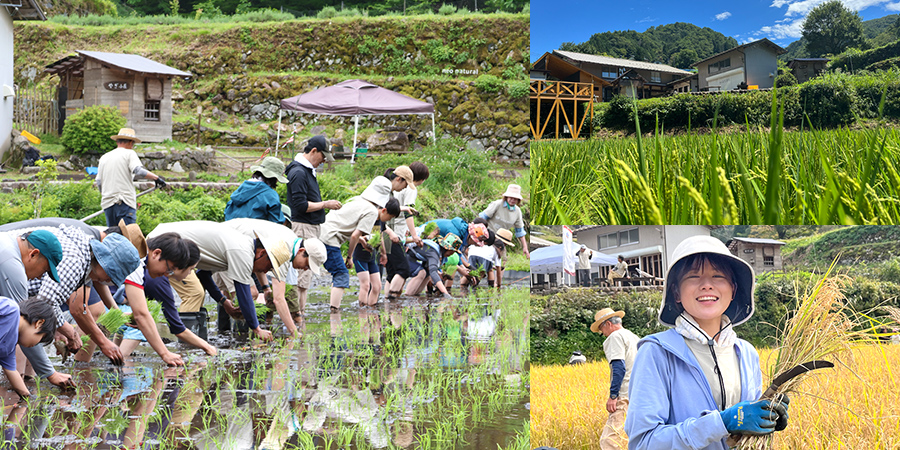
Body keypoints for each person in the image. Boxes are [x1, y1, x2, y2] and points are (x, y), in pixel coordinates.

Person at [624, 235, 790, 450]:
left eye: (718, 276)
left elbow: (743, 432)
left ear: (733, 289)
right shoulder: (657, 352)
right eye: (693, 277)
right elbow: (643, 443)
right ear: (676, 292)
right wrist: (722, 422)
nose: (706, 285)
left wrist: (766, 418)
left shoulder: (746, 352)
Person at [0, 225, 139, 385]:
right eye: (111, 275)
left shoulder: (85, 261)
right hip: (19, 297)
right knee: (24, 332)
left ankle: (23, 384)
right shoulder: (75, 261)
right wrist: (51, 373)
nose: (109, 281)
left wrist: (62, 329)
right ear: (103, 262)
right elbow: (35, 313)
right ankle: (14, 388)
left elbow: (78, 308)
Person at [147, 221, 291, 342]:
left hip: (166, 238)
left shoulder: (241, 247)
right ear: (262, 254)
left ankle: (191, 342)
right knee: (194, 293)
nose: (265, 271)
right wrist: (257, 329)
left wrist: (223, 301)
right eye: (269, 266)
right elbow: (243, 293)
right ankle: (185, 345)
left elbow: (204, 275)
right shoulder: (242, 251)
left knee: (194, 291)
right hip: (167, 244)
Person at [319, 177, 401, 310]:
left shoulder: (358, 200)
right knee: (341, 273)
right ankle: (334, 313)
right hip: (330, 238)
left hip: (322, 231)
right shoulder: (371, 211)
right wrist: (349, 257)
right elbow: (354, 235)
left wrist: (362, 242)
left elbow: (352, 229)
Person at [285, 135, 342, 313]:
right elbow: (301, 206)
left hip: (310, 226)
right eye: (322, 157)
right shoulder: (299, 172)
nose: (323, 161)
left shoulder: (307, 170)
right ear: (313, 151)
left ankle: (299, 312)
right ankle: (298, 314)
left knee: (306, 275)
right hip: (303, 226)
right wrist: (325, 204)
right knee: (303, 273)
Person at [589, 308, 640, 450]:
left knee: (609, 441)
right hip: (637, 394)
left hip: (624, 394)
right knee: (630, 438)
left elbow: (619, 367)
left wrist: (613, 396)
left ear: (608, 324)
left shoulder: (615, 337)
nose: (603, 334)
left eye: (601, 329)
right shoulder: (634, 337)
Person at [96, 128, 166, 227]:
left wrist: (105, 195)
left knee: (112, 236)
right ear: (130, 142)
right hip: (124, 201)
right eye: (133, 144)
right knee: (128, 234)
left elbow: (99, 181)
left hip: (108, 203)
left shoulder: (104, 157)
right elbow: (138, 170)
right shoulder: (129, 153)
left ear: (117, 142)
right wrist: (156, 178)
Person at [383, 162, 429, 299]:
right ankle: (393, 299)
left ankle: (387, 302)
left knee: (391, 271)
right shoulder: (410, 189)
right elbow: (408, 213)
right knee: (403, 269)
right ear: (421, 180)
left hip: (384, 229)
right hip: (396, 233)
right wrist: (414, 235)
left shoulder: (396, 186)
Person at [0, 297, 58, 401]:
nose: (36, 344)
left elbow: (12, 372)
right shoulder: (10, 309)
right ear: (39, 323)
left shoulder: (8, 348)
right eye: (40, 340)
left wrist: (28, 398)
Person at [478, 183, 529, 287]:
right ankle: (476, 280)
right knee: (485, 260)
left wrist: (525, 247)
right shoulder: (497, 204)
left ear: (518, 200)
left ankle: (497, 284)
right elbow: (482, 218)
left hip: (502, 240)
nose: (512, 200)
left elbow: (520, 231)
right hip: (489, 236)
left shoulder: (517, 212)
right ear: (506, 197)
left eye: (515, 198)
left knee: (502, 261)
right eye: (510, 197)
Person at [224, 156, 287, 223]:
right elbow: (276, 222)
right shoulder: (270, 195)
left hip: (231, 228)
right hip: (253, 231)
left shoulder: (242, 188)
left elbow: (227, 211)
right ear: (275, 179)